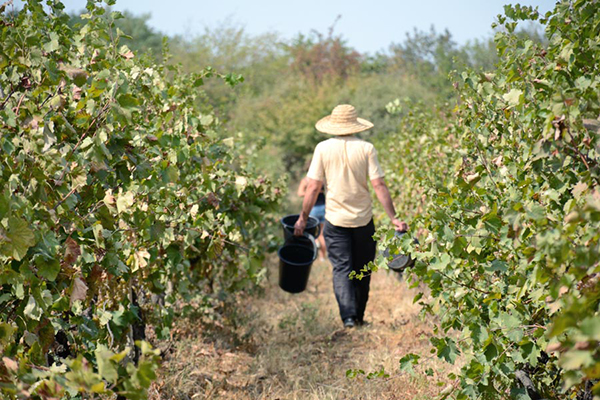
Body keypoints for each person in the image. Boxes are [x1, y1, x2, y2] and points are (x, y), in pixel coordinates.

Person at [294, 104, 408, 329]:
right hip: (363, 220)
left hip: (335, 220)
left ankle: (348, 317)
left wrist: (302, 218)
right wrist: (393, 217)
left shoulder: (323, 149)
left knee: (342, 269)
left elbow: (313, 187)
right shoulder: (367, 148)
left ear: (334, 125)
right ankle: (359, 316)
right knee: (362, 269)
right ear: (355, 124)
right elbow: (379, 184)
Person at [297, 160, 327, 260]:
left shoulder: (305, 181)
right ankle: (322, 257)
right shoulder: (322, 180)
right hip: (324, 207)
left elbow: (300, 193)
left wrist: (310, 193)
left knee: (311, 233)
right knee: (322, 234)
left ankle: (312, 254)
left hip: (312, 209)